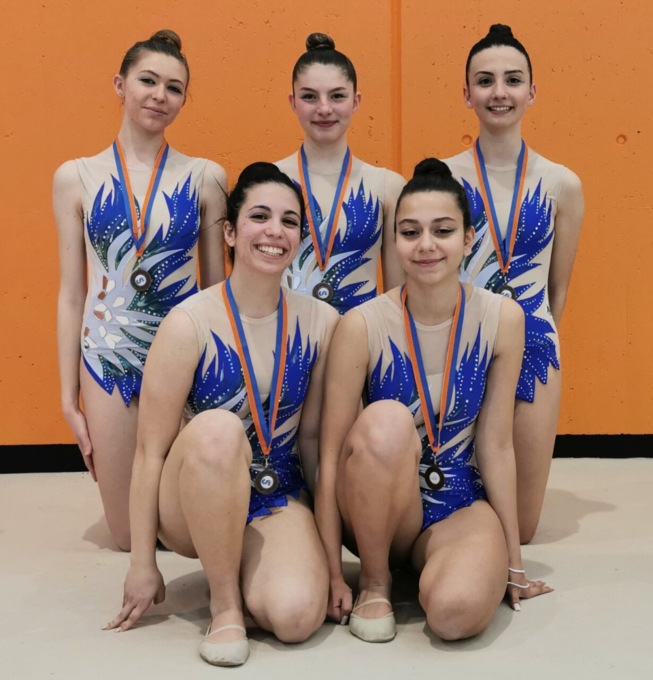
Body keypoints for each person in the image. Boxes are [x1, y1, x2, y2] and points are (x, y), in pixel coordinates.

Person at [106, 163, 339, 667]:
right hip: (194, 494)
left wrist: (330, 562)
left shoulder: (322, 322)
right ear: (230, 232)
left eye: (290, 221)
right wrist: (143, 564)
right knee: (218, 428)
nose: (275, 231)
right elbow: (149, 451)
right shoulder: (188, 322)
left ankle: (255, 572)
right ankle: (225, 603)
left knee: (297, 617)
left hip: (275, 491)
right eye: (259, 216)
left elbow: (314, 443)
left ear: (301, 237)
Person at [317, 159, 552, 644]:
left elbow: (496, 445)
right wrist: (333, 573)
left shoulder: (503, 318)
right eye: (410, 232)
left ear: (468, 239)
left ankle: (442, 568)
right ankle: (376, 582)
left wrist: (513, 563)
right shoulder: (362, 325)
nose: (425, 245)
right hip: (380, 501)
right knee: (386, 422)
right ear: (395, 241)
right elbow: (331, 454)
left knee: (455, 615)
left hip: (458, 502)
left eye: (442, 231)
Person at [53, 30, 227, 550]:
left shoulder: (206, 177)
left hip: (183, 354)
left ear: (184, 100)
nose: (159, 95)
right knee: (130, 535)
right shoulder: (75, 177)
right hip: (108, 356)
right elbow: (71, 294)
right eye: (147, 81)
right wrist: (67, 400)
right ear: (120, 85)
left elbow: (218, 290)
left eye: (174, 88)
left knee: (185, 525)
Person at [443, 24, 585, 543]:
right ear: (467, 94)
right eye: (485, 81)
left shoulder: (562, 184)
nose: (499, 92)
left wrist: (528, 338)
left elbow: (558, 289)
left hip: (534, 348)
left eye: (512, 80)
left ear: (532, 91)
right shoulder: (442, 178)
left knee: (519, 528)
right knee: (455, 502)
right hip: (457, 345)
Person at [276, 32, 405, 314]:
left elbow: (397, 297)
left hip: (362, 337)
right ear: (293, 102)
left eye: (337, 96)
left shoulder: (388, 186)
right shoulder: (270, 181)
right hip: (284, 335)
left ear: (356, 101)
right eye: (309, 97)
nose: (324, 109)